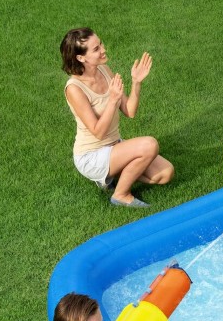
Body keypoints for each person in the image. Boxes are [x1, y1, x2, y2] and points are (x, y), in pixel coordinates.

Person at [60, 27, 174, 208]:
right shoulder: (74, 88)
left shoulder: (104, 70)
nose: (103, 49)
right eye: (96, 49)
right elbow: (98, 132)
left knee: (165, 173)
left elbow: (130, 111)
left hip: (115, 146)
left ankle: (112, 176)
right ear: (81, 58)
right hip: (91, 156)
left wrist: (136, 82)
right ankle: (121, 194)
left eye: (101, 44)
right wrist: (112, 100)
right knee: (149, 145)